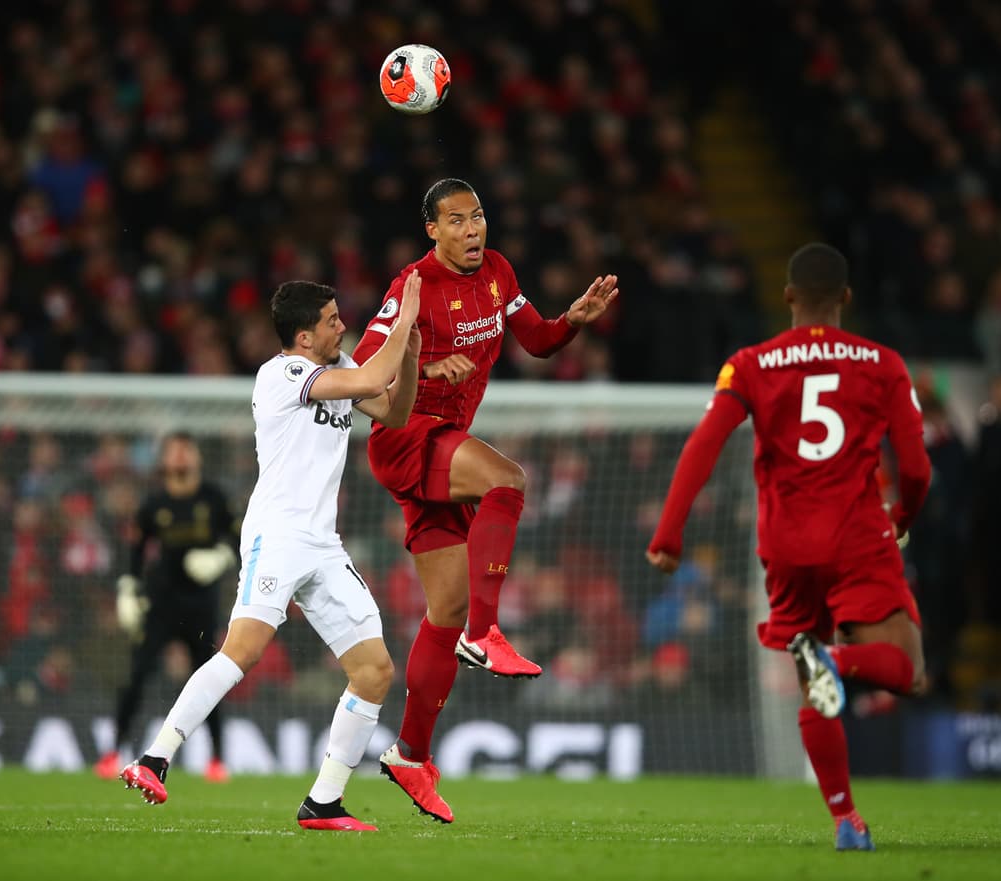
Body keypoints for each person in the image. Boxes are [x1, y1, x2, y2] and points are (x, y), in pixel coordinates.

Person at [646, 243, 931, 852]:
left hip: (786, 547)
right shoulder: (882, 363)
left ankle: (847, 822)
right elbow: (916, 467)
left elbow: (705, 443)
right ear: (846, 298)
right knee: (909, 670)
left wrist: (670, 532)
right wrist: (903, 514)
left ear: (788, 297)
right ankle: (843, 663)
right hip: (858, 537)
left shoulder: (751, 363)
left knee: (812, 682)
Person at [351, 178, 618, 822]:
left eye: (479, 217)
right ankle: (486, 634)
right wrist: (422, 368)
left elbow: (537, 340)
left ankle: (410, 755)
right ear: (432, 231)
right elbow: (363, 378)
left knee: (443, 609)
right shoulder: (410, 287)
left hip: (445, 446)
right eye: (457, 221)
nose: (473, 230)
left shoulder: (498, 272)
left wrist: (572, 323)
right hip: (407, 437)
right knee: (509, 479)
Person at [120, 275, 423, 832]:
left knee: (375, 670)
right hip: (278, 535)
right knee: (244, 650)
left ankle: (324, 802)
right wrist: (406, 320)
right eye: (332, 320)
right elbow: (377, 374)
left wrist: (415, 351)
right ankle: (154, 757)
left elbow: (395, 411)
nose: (341, 325)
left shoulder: (336, 368)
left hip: (322, 543)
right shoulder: (284, 374)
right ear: (304, 338)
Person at [94, 432, 239, 783]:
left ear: (197, 458)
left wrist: (220, 556)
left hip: (201, 606)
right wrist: (128, 590)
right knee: (137, 675)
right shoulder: (153, 505)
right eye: (173, 451)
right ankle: (113, 751)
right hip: (160, 604)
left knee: (209, 677)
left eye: (185, 450)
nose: (179, 457)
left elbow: (238, 542)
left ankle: (217, 759)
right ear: (163, 461)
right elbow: (136, 553)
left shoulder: (214, 499)